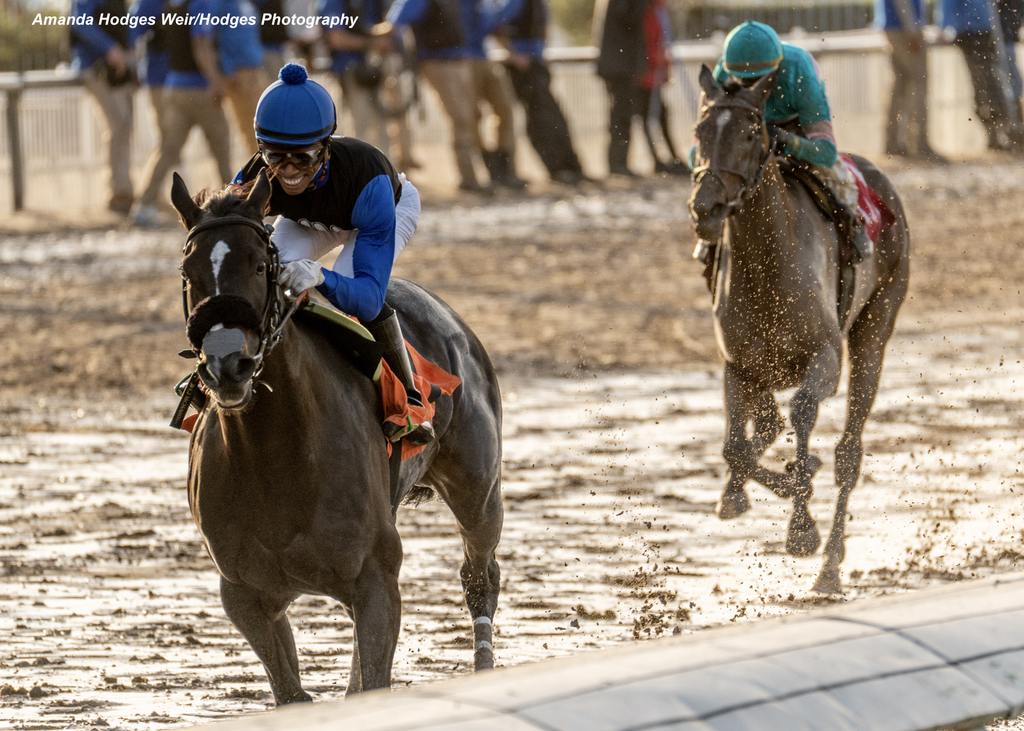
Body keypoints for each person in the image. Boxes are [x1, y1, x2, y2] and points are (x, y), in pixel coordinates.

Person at [232, 63, 434, 444]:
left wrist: (322, 276)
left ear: (326, 147)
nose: (288, 171)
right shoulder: (256, 176)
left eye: (303, 158)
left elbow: (370, 298)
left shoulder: (369, 183)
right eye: (276, 158)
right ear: (261, 151)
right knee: (264, 273)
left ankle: (408, 401)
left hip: (375, 212)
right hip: (308, 219)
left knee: (349, 306)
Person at [704, 21, 873, 260]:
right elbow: (700, 147)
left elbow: (826, 152)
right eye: (745, 82)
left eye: (760, 80)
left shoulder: (799, 70)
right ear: (731, 73)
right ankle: (709, 237)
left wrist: (789, 141)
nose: (753, 88)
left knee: (835, 175)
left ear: (776, 69)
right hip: (746, 131)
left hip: (795, 126)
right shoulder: (723, 75)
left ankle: (852, 224)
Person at [132, 0, 233, 227]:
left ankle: (143, 205)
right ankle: (233, 205)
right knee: (221, 149)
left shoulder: (173, 5)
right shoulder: (202, 5)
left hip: (174, 86)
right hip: (200, 90)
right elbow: (201, 45)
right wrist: (216, 80)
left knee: (167, 149)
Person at [500, 0, 589, 184]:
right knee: (539, 118)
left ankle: (570, 167)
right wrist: (514, 56)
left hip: (537, 61)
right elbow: (496, 24)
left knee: (554, 116)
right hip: (525, 67)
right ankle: (555, 168)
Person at [70, 0, 137, 215]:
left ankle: (124, 189)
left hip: (118, 71)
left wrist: (128, 53)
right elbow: (80, 22)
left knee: (124, 128)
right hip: (96, 69)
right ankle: (119, 193)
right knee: (118, 127)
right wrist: (111, 49)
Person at [941, 0, 1022, 151]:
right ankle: (993, 133)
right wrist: (946, 28)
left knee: (994, 85)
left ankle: (1005, 131)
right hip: (969, 36)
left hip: (987, 34)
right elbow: (949, 10)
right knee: (982, 87)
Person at [875, 0, 944, 160]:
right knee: (919, 84)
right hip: (905, 29)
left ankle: (892, 142)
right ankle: (919, 143)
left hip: (894, 27)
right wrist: (912, 30)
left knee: (900, 86)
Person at [320, 0, 390, 152]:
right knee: (361, 123)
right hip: (350, 68)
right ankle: (360, 170)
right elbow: (336, 38)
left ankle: (385, 169)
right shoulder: (332, 3)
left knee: (382, 124)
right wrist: (373, 43)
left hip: (375, 68)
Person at [594, 0, 647, 177]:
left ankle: (619, 162)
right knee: (621, 115)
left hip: (617, 64)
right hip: (620, 66)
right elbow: (630, 18)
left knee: (621, 115)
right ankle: (618, 163)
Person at [639, 0, 688, 175]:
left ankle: (670, 157)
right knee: (648, 116)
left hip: (653, 72)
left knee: (660, 114)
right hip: (646, 73)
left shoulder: (658, 10)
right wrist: (654, 62)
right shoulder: (649, 10)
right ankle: (658, 159)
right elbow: (647, 40)